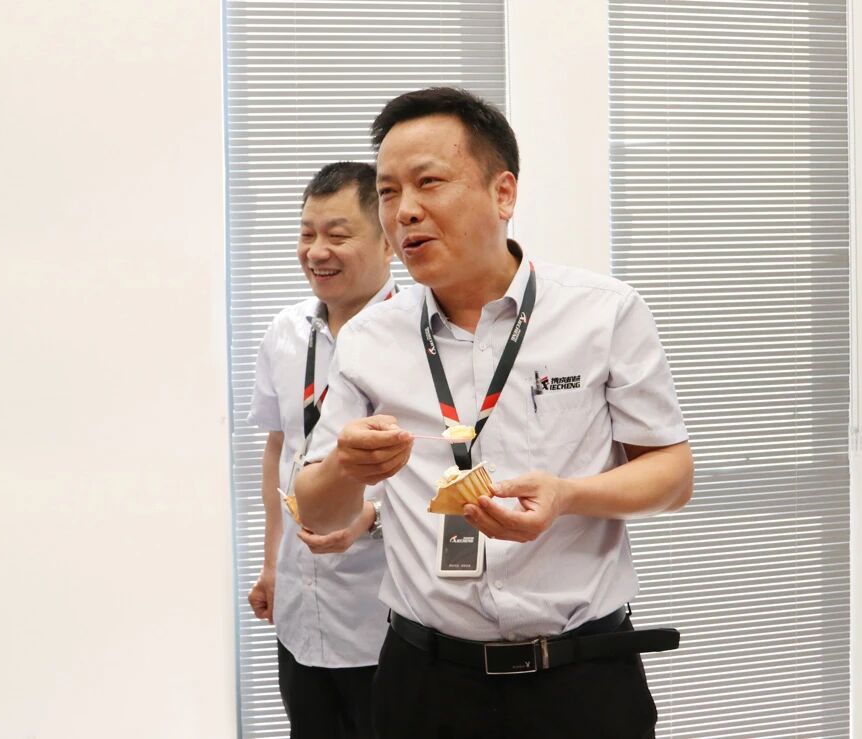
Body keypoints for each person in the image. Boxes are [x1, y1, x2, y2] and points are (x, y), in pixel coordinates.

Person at [294, 88, 694, 739]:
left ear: (503, 193)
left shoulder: (603, 312)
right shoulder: (369, 337)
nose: (405, 210)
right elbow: (317, 513)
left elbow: (673, 476)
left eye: (429, 182)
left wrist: (568, 495)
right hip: (426, 682)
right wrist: (345, 464)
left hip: (581, 678)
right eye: (388, 192)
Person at [246, 161, 397, 738]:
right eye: (307, 233)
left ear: (388, 243)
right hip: (299, 616)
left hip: (386, 622)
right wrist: (271, 563)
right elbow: (280, 447)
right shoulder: (285, 332)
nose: (316, 251)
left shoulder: (423, 339)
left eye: (337, 234)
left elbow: (454, 471)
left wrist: (370, 516)